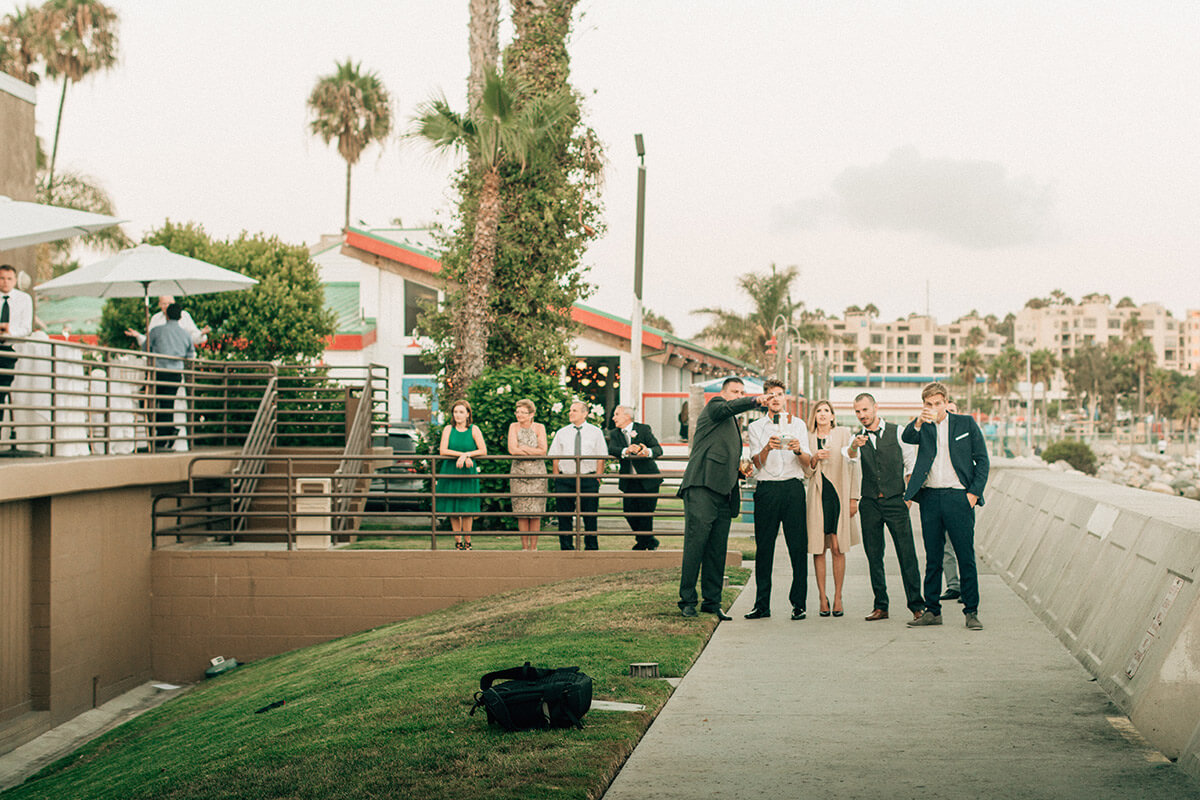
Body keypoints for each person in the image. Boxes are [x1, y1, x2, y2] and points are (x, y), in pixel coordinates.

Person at [677, 376, 767, 619]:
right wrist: (755, 400)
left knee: (717, 550)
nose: (738, 395)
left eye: (742, 391)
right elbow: (729, 406)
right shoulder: (715, 406)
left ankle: (712, 602)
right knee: (695, 546)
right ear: (724, 393)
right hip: (701, 488)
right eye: (735, 391)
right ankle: (687, 600)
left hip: (725, 493)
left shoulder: (733, 424)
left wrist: (738, 469)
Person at [903, 381, 990, 630]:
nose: (933, 408)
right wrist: (920, 421)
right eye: (928, 404)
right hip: (930, 497)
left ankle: (971, 611)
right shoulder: (922, 426)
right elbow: (907, 437)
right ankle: (932, 611)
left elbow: (982, 460)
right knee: (933, 557)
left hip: (959, 497)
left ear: (945, 403)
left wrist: (973, 494)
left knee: (966, 556)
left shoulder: (966, 424)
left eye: (937, 403)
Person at [850, 392, 924, 621]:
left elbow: (911, 465)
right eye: (857, 411)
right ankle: (881, 605)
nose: (862, 415)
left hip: (895, 501)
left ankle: (916, 605)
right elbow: (849, 457)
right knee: (874, 555)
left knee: (907, 554)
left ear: (875, 408)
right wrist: (854, 446)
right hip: (869, 503)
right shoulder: (856, 438)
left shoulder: (899, 432)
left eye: (865, 410)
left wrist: (908, 498)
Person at [744, 379, 812, 620]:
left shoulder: (799, 425)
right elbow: (755, 463)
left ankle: (799, 604)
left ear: (785, 398)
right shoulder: (755, 427)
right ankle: (762, 604)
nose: (775, 398)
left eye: (779, 394)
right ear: (765, 399)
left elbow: (808, 464)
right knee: (764, 548)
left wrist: (797, 450)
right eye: (771, 394)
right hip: (767, 490)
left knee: (797, 547)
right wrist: (767, 448)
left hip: (793, 488)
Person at [804, 400, 861, 618]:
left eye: (826, 411)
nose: (822, 414)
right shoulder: (808, 437)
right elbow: (805, 472)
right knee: (819, 548)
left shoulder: (844, 434)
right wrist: (813, 459)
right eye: (818, 411)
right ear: (814, 416)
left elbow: (853, 464)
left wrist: (854, 497)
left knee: (838, 547)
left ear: (833, 415)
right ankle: (821, 597)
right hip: (818, 496)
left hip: (839, 494)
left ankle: (838, 597)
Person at [547, 401, 608, 550]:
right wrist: (557, 476)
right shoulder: (562, 432)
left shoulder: (595, 432)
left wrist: (598, 477)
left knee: (590, 514)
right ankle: (566, 547)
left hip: (588, 478)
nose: (570, 413)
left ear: (584, 413)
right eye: (570, 410)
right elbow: (555, 455)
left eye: (574, 410)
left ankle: (591, 547)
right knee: (564, 515)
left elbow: (601, 456)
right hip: (566, 478)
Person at [606, 405, 664, 551]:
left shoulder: (643, 429)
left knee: (646, 513)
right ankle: (649, 541)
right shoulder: (614, 434)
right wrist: (626, 450)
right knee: (629, 511)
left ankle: (643, 544)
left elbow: (658, 449)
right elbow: (612, 449)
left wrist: (647, 451)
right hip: (629, 481)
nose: (613, 418)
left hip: (648, 479)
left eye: (616, 414)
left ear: (627, 416)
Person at [145, 303, 196, 452]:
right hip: (175, 373)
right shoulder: (185, 334)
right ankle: (166, 433)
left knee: (154, 402)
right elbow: (190, 354)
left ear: (166, 315)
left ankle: (163, 435)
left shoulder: (157, 331)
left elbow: (145, 347)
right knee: (168, 403)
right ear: (180, 317)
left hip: (159, 371)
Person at [437, 399, 487, 550]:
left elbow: (483, 450)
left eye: (461, 412)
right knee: (453, 508)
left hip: (467, 471)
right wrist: (461, 455)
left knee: (467, 508)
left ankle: (468, 541)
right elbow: (443, 450)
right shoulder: (448, 429)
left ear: (467, 414)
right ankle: (457, 541)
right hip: (451, 470)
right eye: (455, 412)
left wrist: (467, 455)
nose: (458, 415)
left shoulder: (474, 429)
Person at [507, 398, 548, 551]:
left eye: (523, 412)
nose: (519, 415)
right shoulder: (513, 427)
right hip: (518, 474)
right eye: (517, 412)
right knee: (521, 511)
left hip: (537, 474)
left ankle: (534, 547)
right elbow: (512, 449)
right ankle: (524, 547)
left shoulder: (539, 427)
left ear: (531, 414)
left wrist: (522, 449)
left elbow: (543, 450)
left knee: (536, 511)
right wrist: (531, 451)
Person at [0, 264, 34, 438]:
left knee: (0, 394)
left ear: (15, 280)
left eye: (9, 278)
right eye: (2, 278)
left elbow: (26, 328)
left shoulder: (24, 299)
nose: (5, 282)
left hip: (8, 350)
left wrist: (9, 331)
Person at [939, 400, 963, 603]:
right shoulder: (935, 433)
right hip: (940, 497)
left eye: (952, 410)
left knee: (963, 545)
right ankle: (953, 585)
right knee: (945, 546)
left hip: (960, 497)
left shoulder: (965, 432)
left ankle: (968, 587)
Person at [126, 295, 209, 348]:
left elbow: (192, 337)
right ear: (159, 304)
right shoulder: (156, 318)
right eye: (164, 304)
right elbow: (149, 341)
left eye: (170, 303)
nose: (167, 306)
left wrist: (201, 334)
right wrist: (138, 336)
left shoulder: (184, 315)